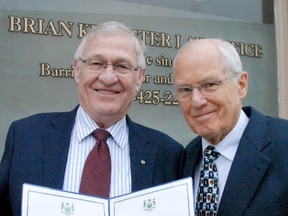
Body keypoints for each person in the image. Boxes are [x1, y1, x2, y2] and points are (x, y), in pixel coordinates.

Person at [0, 21, 184, 216]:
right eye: (97, 63)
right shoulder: (26, 137)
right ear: (77, 68)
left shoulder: (167, 154)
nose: (108, 77)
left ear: (139, 77)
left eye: (122, 66)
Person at [172, 38, 288, 215]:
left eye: (209, 85)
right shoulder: (183, 160)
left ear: (241, 85)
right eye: (186, 90)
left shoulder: (283, 144)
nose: (196, 101)